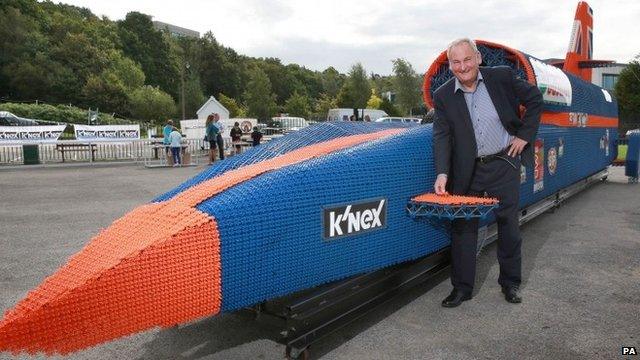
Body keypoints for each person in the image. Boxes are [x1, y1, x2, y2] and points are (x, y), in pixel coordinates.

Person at [432, 38, 542, 307]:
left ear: (478, 58)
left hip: (504, 163)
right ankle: (461, 289)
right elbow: (442, 136)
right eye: (455, 62)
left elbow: (535, 100)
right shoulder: (443, 95)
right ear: (450, 66)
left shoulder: (502, 77)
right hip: (466, 171)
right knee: (463, 229)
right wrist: (442, 173)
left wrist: (523, 137)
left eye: (467, 59)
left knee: (509, 227)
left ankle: (510, 284)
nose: (462, 67)